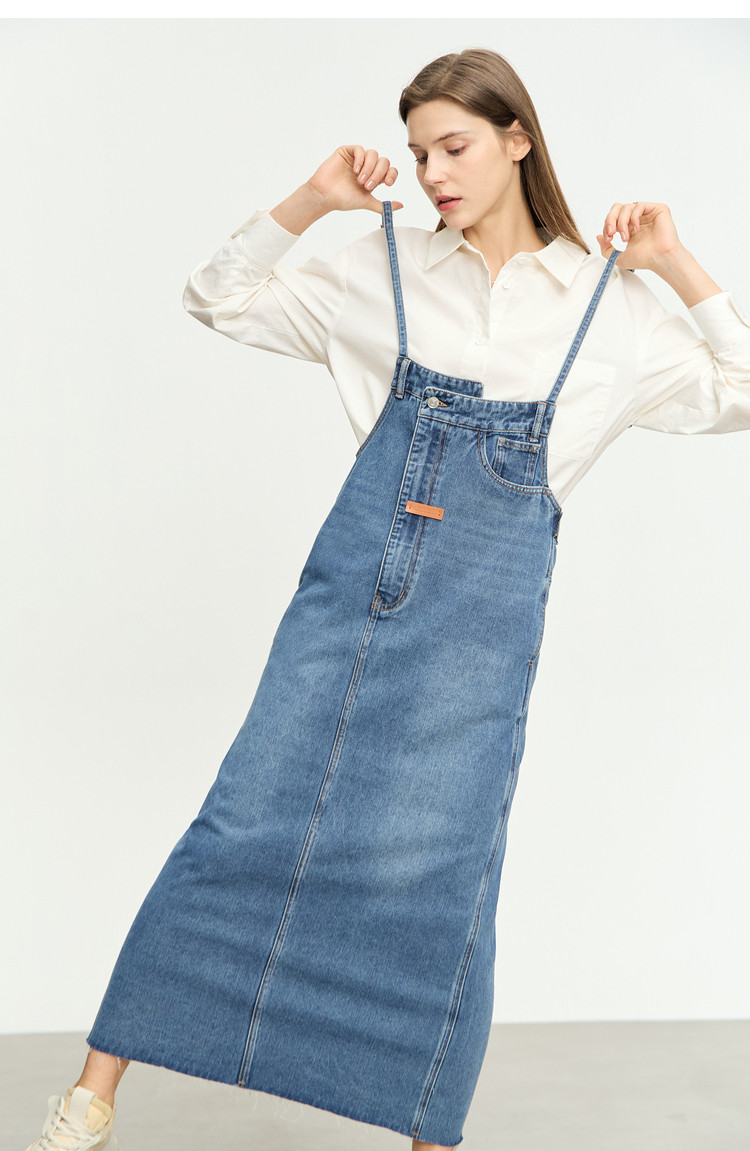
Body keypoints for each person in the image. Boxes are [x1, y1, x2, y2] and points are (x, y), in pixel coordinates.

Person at [24, 47, 750, 1151]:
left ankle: (424, 1133)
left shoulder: (610, 306)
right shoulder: (384, 267)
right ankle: (93, 1093)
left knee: (443, 866)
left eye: (455, 147)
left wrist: (675, 261)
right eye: (419, 154)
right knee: (247, 816)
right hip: (348, 598)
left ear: (519, 140)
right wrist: (314, 200)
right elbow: (216, 295)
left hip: (479, 636)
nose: (434, 174)